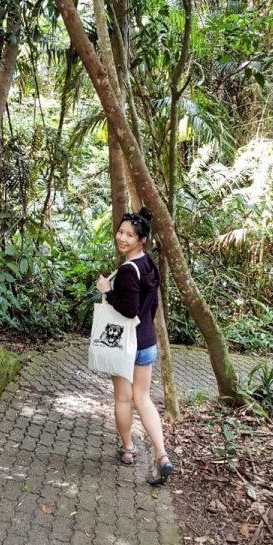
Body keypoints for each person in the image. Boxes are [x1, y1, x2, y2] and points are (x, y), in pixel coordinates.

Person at [95, 207, 174, 486]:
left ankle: (128, 450)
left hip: (126, 345)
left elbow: (128, 310)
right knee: (144, 398)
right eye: (121, 232)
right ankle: (161, 455)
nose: (122, 238)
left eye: (129, 235)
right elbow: (149, 305)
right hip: (147, 341)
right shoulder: (148, 264)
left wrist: (107, 290)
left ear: (142, 240)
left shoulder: (128, 270)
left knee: (123, 398)